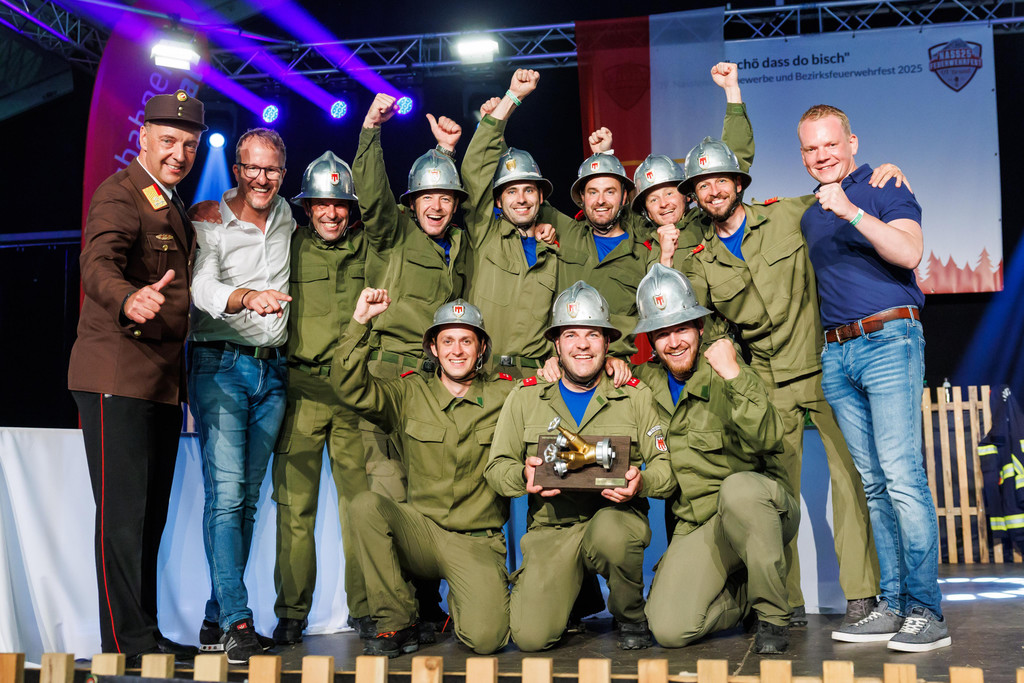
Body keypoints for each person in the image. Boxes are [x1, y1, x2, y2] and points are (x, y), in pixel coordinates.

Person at [671, 132, 894, 627]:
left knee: (850, 480)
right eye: (702, 185)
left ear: (739, 183)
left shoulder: (788, 214)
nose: (713, 191)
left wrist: (884, 172)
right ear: (696, 195)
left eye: (721, 181)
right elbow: (706, 328)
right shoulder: (699, 261)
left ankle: (862, 594)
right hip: (767, 382)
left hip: (824, 365)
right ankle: (783, 602)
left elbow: (844, 195)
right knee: (777, 494)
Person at [798, 104, 948, 651]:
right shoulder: (809, 212)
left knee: (904, 479)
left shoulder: (886, 187)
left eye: (830, 144)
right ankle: (893, 604)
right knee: (876, 487)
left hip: (889, 340)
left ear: (852, 142)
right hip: (837, 355)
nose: (822, 155)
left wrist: (852, 211)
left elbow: (910, 251)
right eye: (811, 148)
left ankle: (927, 611)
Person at [68, 89, 205, 666]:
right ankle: (124, 643)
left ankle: (144, 634)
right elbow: (97, 262)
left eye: (189, 145)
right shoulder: (120, 192)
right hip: (116, 374)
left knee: (148, 520)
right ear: (143, 136)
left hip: (159, 382)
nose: (178, 154)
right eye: (168, 140)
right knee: (122, 520)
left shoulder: (170, 202)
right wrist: (127, 298)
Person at [485, 282, 674, 652]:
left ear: (607, 342)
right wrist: (523, 475)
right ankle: (575, 596)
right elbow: (496, 467)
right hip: (552, 530)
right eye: (571, 335)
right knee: (530, 638)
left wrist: (642, 482)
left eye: (593, 334)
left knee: (612, 535)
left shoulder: (634, 395)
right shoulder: (525, 397)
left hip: (614, 519)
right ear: (556, 344)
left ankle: (630, 613)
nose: (582, 345)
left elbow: (666, 466)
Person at [334, 294, 515, 658]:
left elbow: (554, 399)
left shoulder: (506, 395)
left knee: (486, 639)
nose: (457, 351)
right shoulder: (408, 392)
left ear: (481, 348)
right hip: (423, 535)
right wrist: (359, 324)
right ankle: (397, 622)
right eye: (447, 341)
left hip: (476, 541)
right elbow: (351, 388)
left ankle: (463, 608)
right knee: (366, 506)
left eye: (466, 341)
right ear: (433, 347)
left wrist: (558, 369)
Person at [354, 94, 472, 634]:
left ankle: (426, 606)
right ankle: (391, 615)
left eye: (445, 197)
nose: (437, 206)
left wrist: (445, 153)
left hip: (436, 382)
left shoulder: (460, 244)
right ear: (412, 202)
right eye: (426, 197)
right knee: (386, 492)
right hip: (389, 377)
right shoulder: (393, 233)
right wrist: (371, 130)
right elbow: (373, 193)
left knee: (428, 494)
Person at [633, 265, 795, 654]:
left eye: (682, 329)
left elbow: (769, 438)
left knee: (738, 490)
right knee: (668, 629)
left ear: (699, 328)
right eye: (662, 333)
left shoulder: (727, 368)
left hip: (760, 508)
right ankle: (743, 599)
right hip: (699, 521)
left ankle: (772, 615)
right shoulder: (645, 384)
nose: (674, 342)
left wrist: (734, 376)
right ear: (651, 341)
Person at [189, 128, 294, 664]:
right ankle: (237, 619)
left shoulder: (289, 216)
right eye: (251, 167)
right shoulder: (210, 219)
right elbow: (201, 287)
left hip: (273, 372)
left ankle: (216, 617)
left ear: (282, 173)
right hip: (220, 366)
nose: (261, 178)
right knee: (227, 497)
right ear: (236, 169)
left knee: (247, 500)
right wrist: (247, 296)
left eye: (271, 169)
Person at [270, 151, 374, 644]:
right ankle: (291, 613)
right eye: (321, 204)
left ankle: (367, 608)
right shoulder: (286, 246)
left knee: (361, 508)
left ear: (351, 208)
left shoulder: (371, 248)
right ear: (307, 207)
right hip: (301, 390)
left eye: (339, 205)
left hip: (355, 393)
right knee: (294, 509)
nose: (331, 213)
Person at [459, 69, 561, 379]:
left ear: (541, 196)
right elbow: (475, 169)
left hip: (536, 382)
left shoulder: (554, 251)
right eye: (511, 191)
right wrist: (512, 97)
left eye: (529, 189)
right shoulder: (484, 233)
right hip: (484, 377)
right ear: (498, 201)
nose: (521, 199)